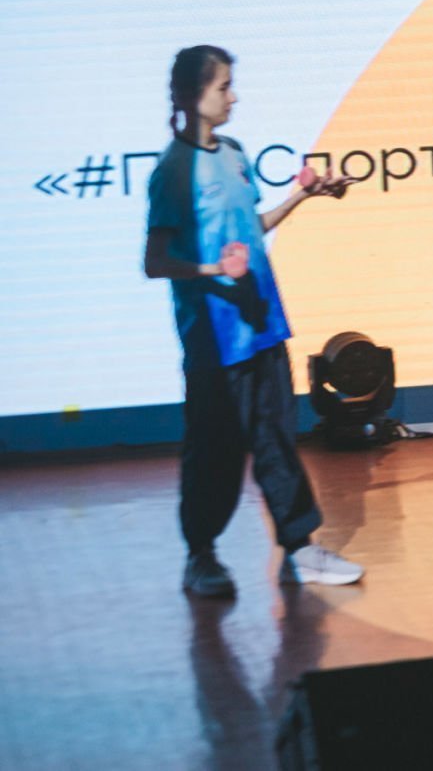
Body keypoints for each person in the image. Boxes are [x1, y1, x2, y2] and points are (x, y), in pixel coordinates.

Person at [144, 45, 365, 599]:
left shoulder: (235, 153)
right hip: (215, 342)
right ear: (192, 96)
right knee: (215, 453)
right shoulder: (174, 171)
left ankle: (299, 551)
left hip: (264, 325)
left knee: (277, 442)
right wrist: (213, 269)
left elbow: (252, 224)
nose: (234, 96)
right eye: (223, 87)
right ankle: (201, 557)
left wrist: (304, 194)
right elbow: (155, 261)